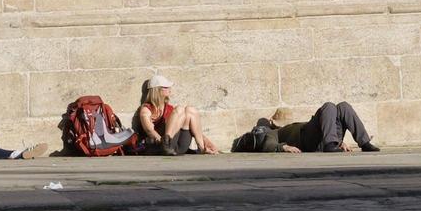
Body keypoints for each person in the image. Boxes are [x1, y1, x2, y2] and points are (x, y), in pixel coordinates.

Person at [231, 103, 380, 153]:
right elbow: (267, 144)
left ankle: (364, 142)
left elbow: (325, 124)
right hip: (308, 140)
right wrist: (283, 147)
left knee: (343, 106)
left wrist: (339, 141)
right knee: (329, 106)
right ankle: (331, 144)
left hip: (322, 136)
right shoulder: (274, 132)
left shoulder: (293, 125)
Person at [134, 75, 217, 155]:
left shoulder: (169, 108)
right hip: (160, 146)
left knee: (190, 110)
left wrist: (206, 140)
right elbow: (149, 131)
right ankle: (166, 144)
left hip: (176, 146)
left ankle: (202, 148)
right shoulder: (146, 109)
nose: (170, 89)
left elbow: (194, 126)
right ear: (157, 90)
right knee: (179, 109)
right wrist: (162, 142)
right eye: (166, 87)